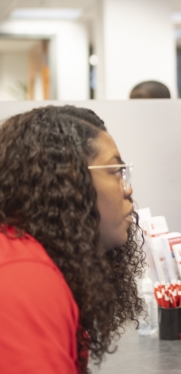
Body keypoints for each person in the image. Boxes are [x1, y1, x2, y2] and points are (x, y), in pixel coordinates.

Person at [0, 105, 145, 373]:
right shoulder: (26, 278)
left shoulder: (35, 259)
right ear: (69, 181)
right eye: (116, 171)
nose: (128, 188)